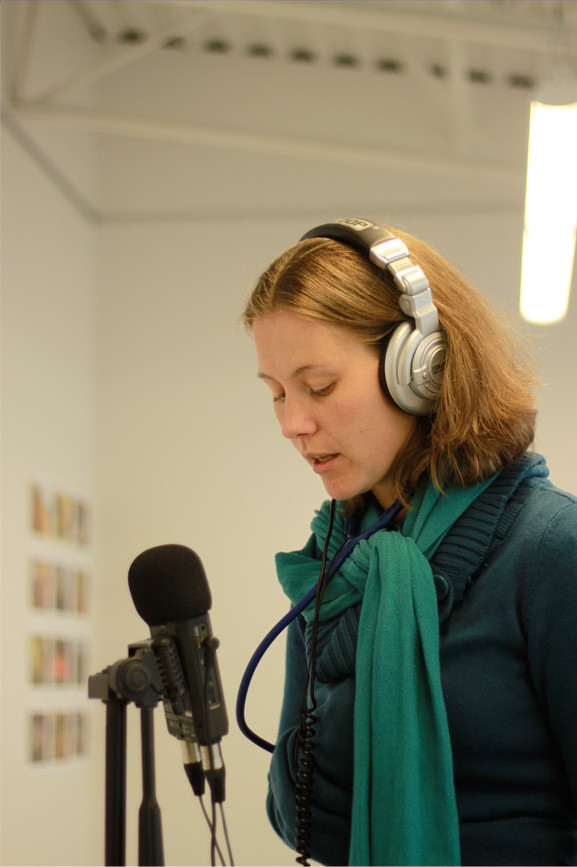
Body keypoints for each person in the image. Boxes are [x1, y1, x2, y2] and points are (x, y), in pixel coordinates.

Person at [240, 218, 577, 866]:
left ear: (420, 369)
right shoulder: (337, 563)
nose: (292, 423)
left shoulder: (551, 549)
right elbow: (293, 816)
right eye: (276, 393)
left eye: (319, 386)